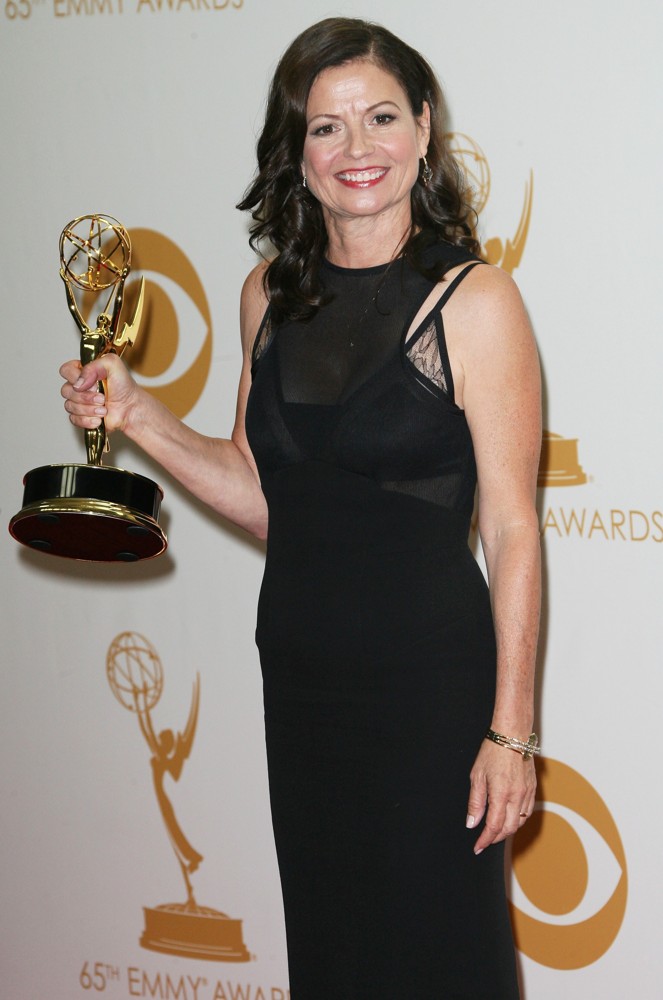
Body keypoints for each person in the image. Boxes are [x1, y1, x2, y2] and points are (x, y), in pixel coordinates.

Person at [60, 18, 541, 998]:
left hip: (429, 694)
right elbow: (267, 497)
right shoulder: (266, 297)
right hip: (305, 679)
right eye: (326, 128)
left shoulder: (474, 302)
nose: (357, 149)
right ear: (298, 151)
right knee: (337, 953)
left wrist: (512, 730)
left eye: (380, 118)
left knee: (442, 957)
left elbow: (512, 528)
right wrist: (141, 414)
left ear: (423, 127)